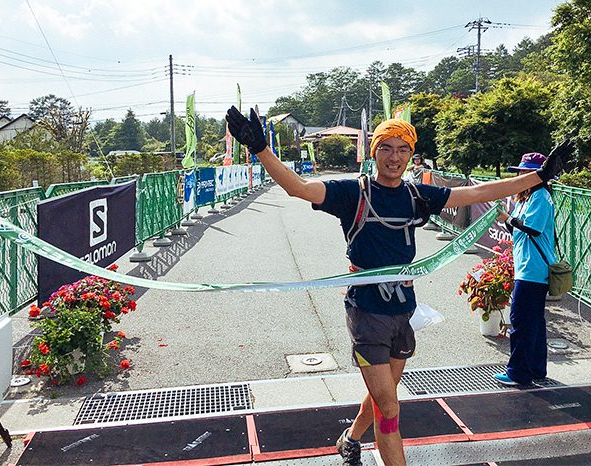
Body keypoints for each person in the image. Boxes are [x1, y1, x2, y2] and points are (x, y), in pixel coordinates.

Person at [225, 106, 572, 466]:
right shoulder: (352, 193)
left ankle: (349, 438)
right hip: (366, 314)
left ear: (411, 155)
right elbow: (298, 188)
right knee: (390, 409)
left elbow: (477, 192)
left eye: (402, 149)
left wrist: (540, 177)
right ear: (374, 151)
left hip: (403, 311)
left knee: (383, 394)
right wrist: (261, 149)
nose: (394, 157)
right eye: (386, 148)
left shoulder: (416, 196)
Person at [495, 152, 557, 387]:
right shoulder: (528, 197)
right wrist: (509, 221)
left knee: (521, 321)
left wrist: (507, 218)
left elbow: (532, 228)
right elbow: (520, 231)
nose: (520, 176)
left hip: (533, 270)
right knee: (534, 322)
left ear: (535, 175)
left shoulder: (540, 196)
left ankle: (518, 373)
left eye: (524, 172)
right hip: (527, 267)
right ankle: (536, 369)